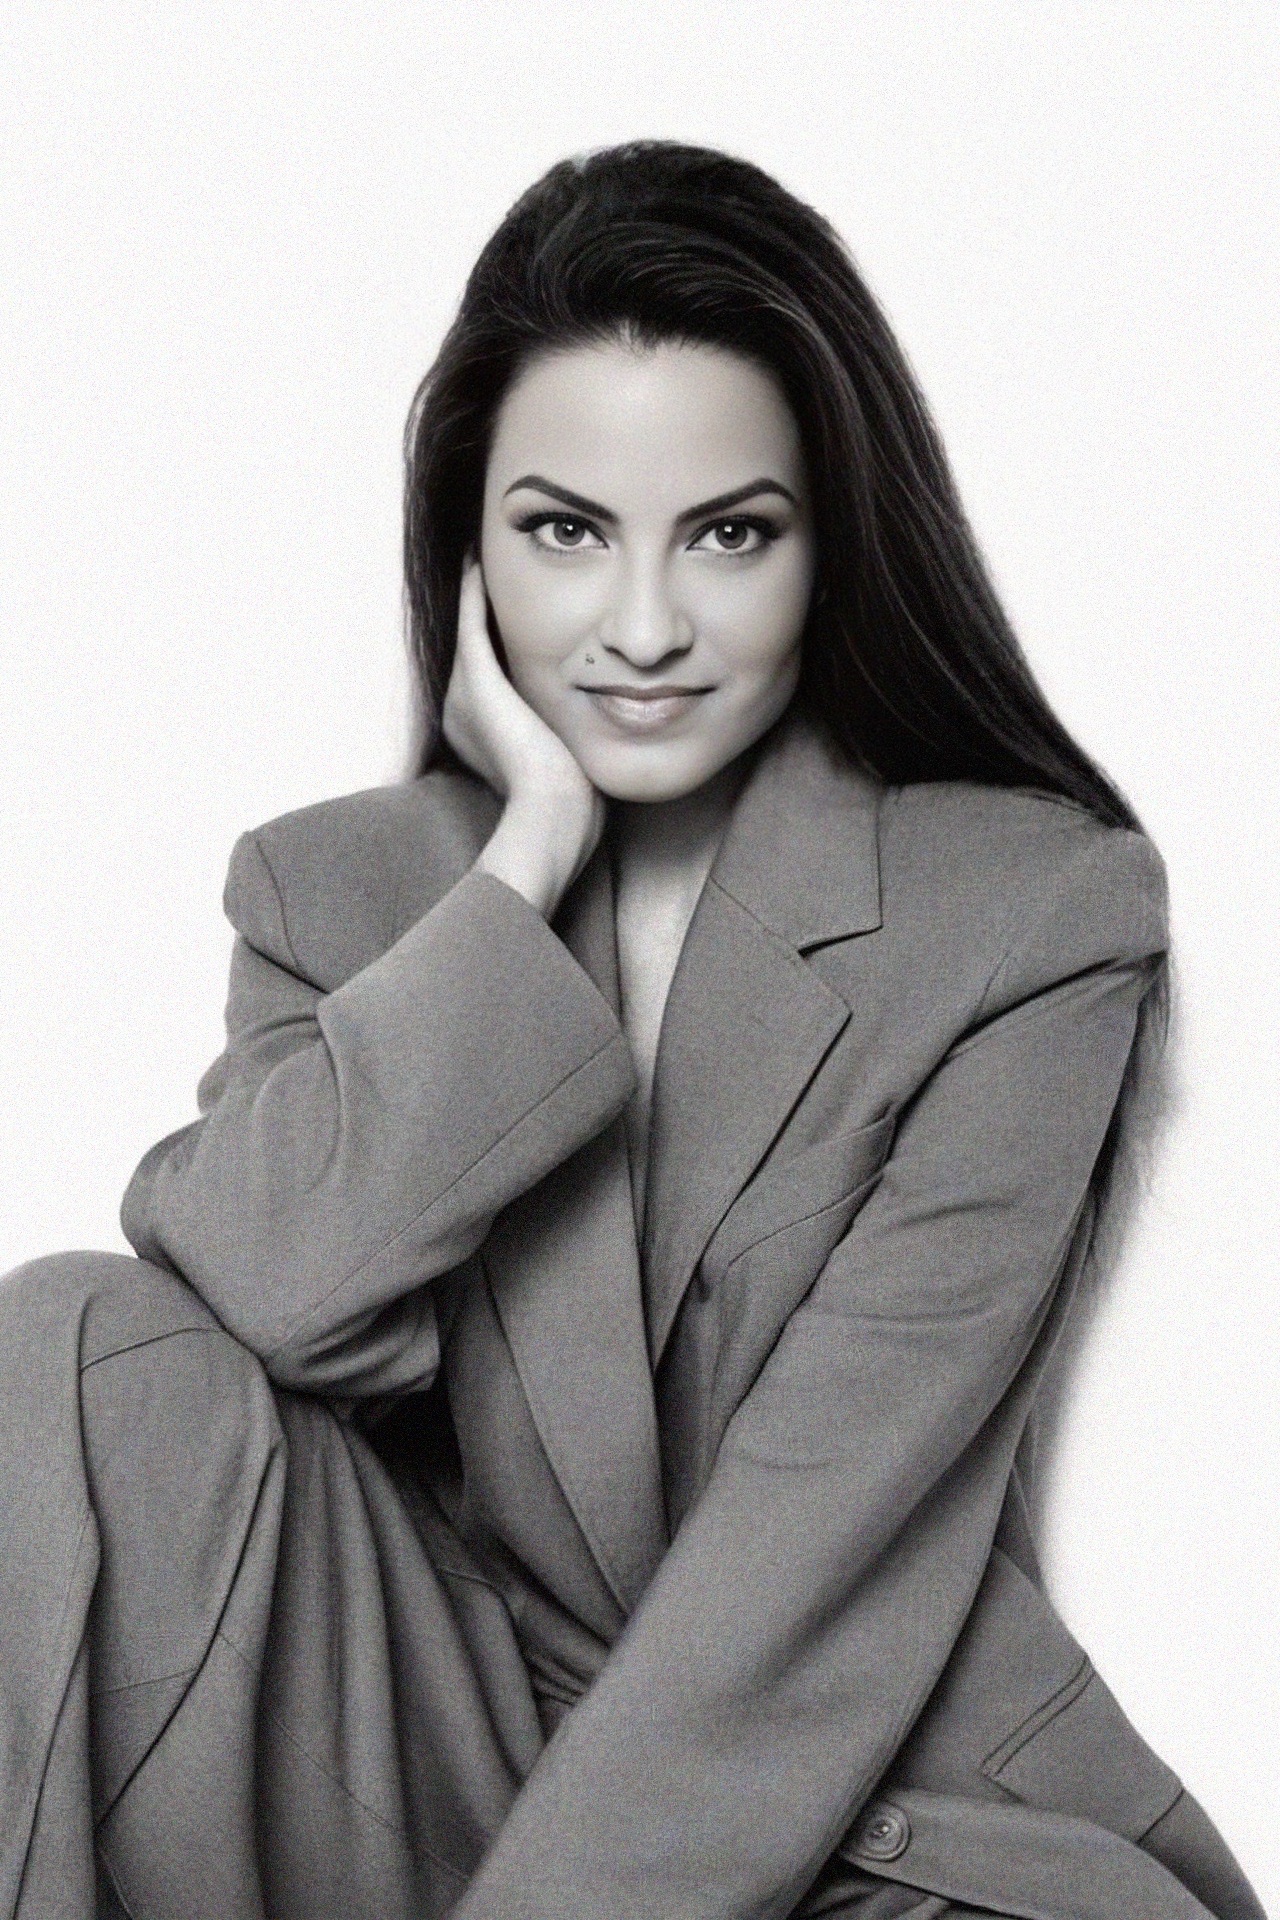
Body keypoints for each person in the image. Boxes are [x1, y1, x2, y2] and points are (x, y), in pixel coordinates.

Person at [0, 141, 1265, 1920]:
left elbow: (816, 1546)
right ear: (468, 549)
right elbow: (268, 1298)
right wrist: (522, 858)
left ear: (831, 544)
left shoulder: (1031, 913)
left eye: (731, 534)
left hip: (868, 1818)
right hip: (442, 1765)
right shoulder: (333, 892)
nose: (649, 629)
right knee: (70, 1339)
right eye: (567, 533)